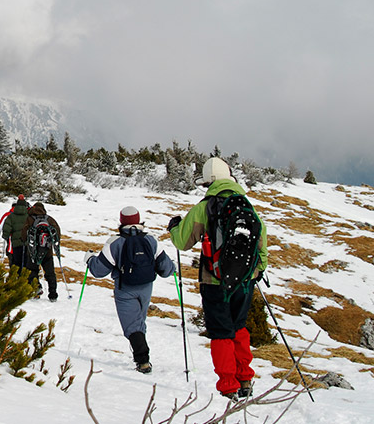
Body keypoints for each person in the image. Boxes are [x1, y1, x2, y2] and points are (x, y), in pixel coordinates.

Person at [168, 157, 268, 400]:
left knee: (221, 333)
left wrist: (174, 227)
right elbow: (261, 245)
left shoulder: (205, 208)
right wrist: (256, 272)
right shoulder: (247, 206)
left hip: (215, 282)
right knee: (239, 328)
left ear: (208, 183)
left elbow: (182, 241)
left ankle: (228, 386)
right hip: (244, 282)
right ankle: (245, 378)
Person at [83, 206, 176, 373]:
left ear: (121, 221)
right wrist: (173, 266)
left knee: (132, 325)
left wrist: (89, 259)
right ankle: (141, 353)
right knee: (139, 321)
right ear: (139, 220)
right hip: (147, 287)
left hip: (125, 288)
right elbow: (166, 269)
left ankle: (143, 361)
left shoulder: (115, 242)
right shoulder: (151, 240)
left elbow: (98, 271)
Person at [21, 201, 61, 302]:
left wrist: (26, 242)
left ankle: (36, 290)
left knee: (32, 271)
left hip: (33, 251)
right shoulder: (49, 219)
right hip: (47, 251)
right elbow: (57, 233)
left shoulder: (29, 219)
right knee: (50, 273)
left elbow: (24, 234)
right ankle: (53, 294)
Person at [1, 195, 29, 273]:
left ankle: (17, 278)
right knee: (26, 262)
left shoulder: (11, 216)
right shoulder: (29, 216)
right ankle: (26, 279)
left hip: (16, 243)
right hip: (27, 243)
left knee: (17, 262)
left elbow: (6, 228)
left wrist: (5, 236)